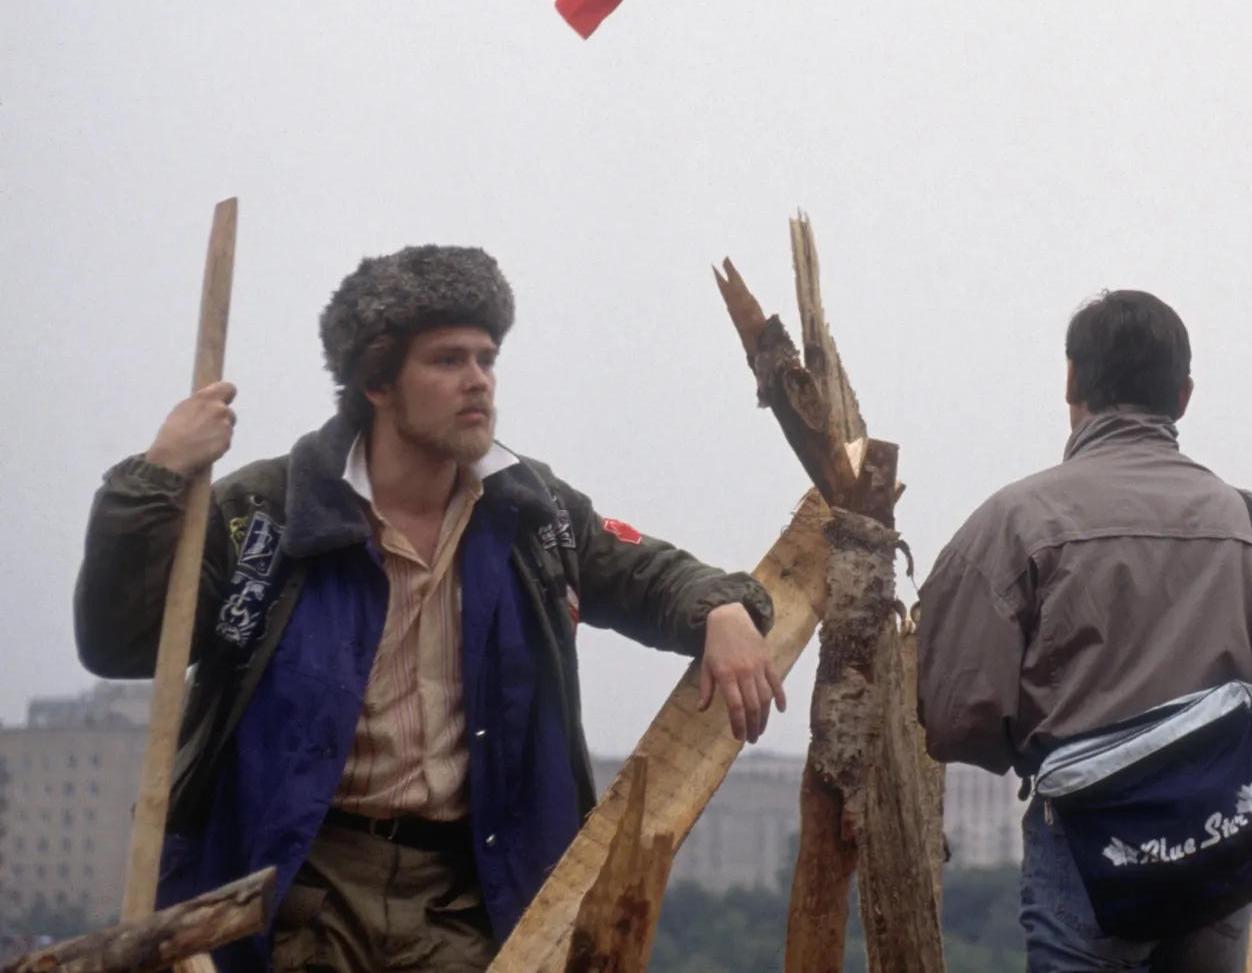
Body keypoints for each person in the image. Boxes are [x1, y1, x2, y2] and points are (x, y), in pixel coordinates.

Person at [75, 245, 785, 973]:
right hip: (296, 880)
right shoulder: (267, 514)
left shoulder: (530, 512)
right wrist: (158, 476)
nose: (478, 380)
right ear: (377, 384)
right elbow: (124, 642)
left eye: (486, 358)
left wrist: (722, 611)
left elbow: (646, 573)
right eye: (448, 360)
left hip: (468, 888)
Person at [916, 290, 1252, 973]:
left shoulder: (1016, 522)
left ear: (1070, 380)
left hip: (1085, 841)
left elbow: (952, 717)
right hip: (1224, 840)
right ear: (1184, 395)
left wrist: (1050, 753)